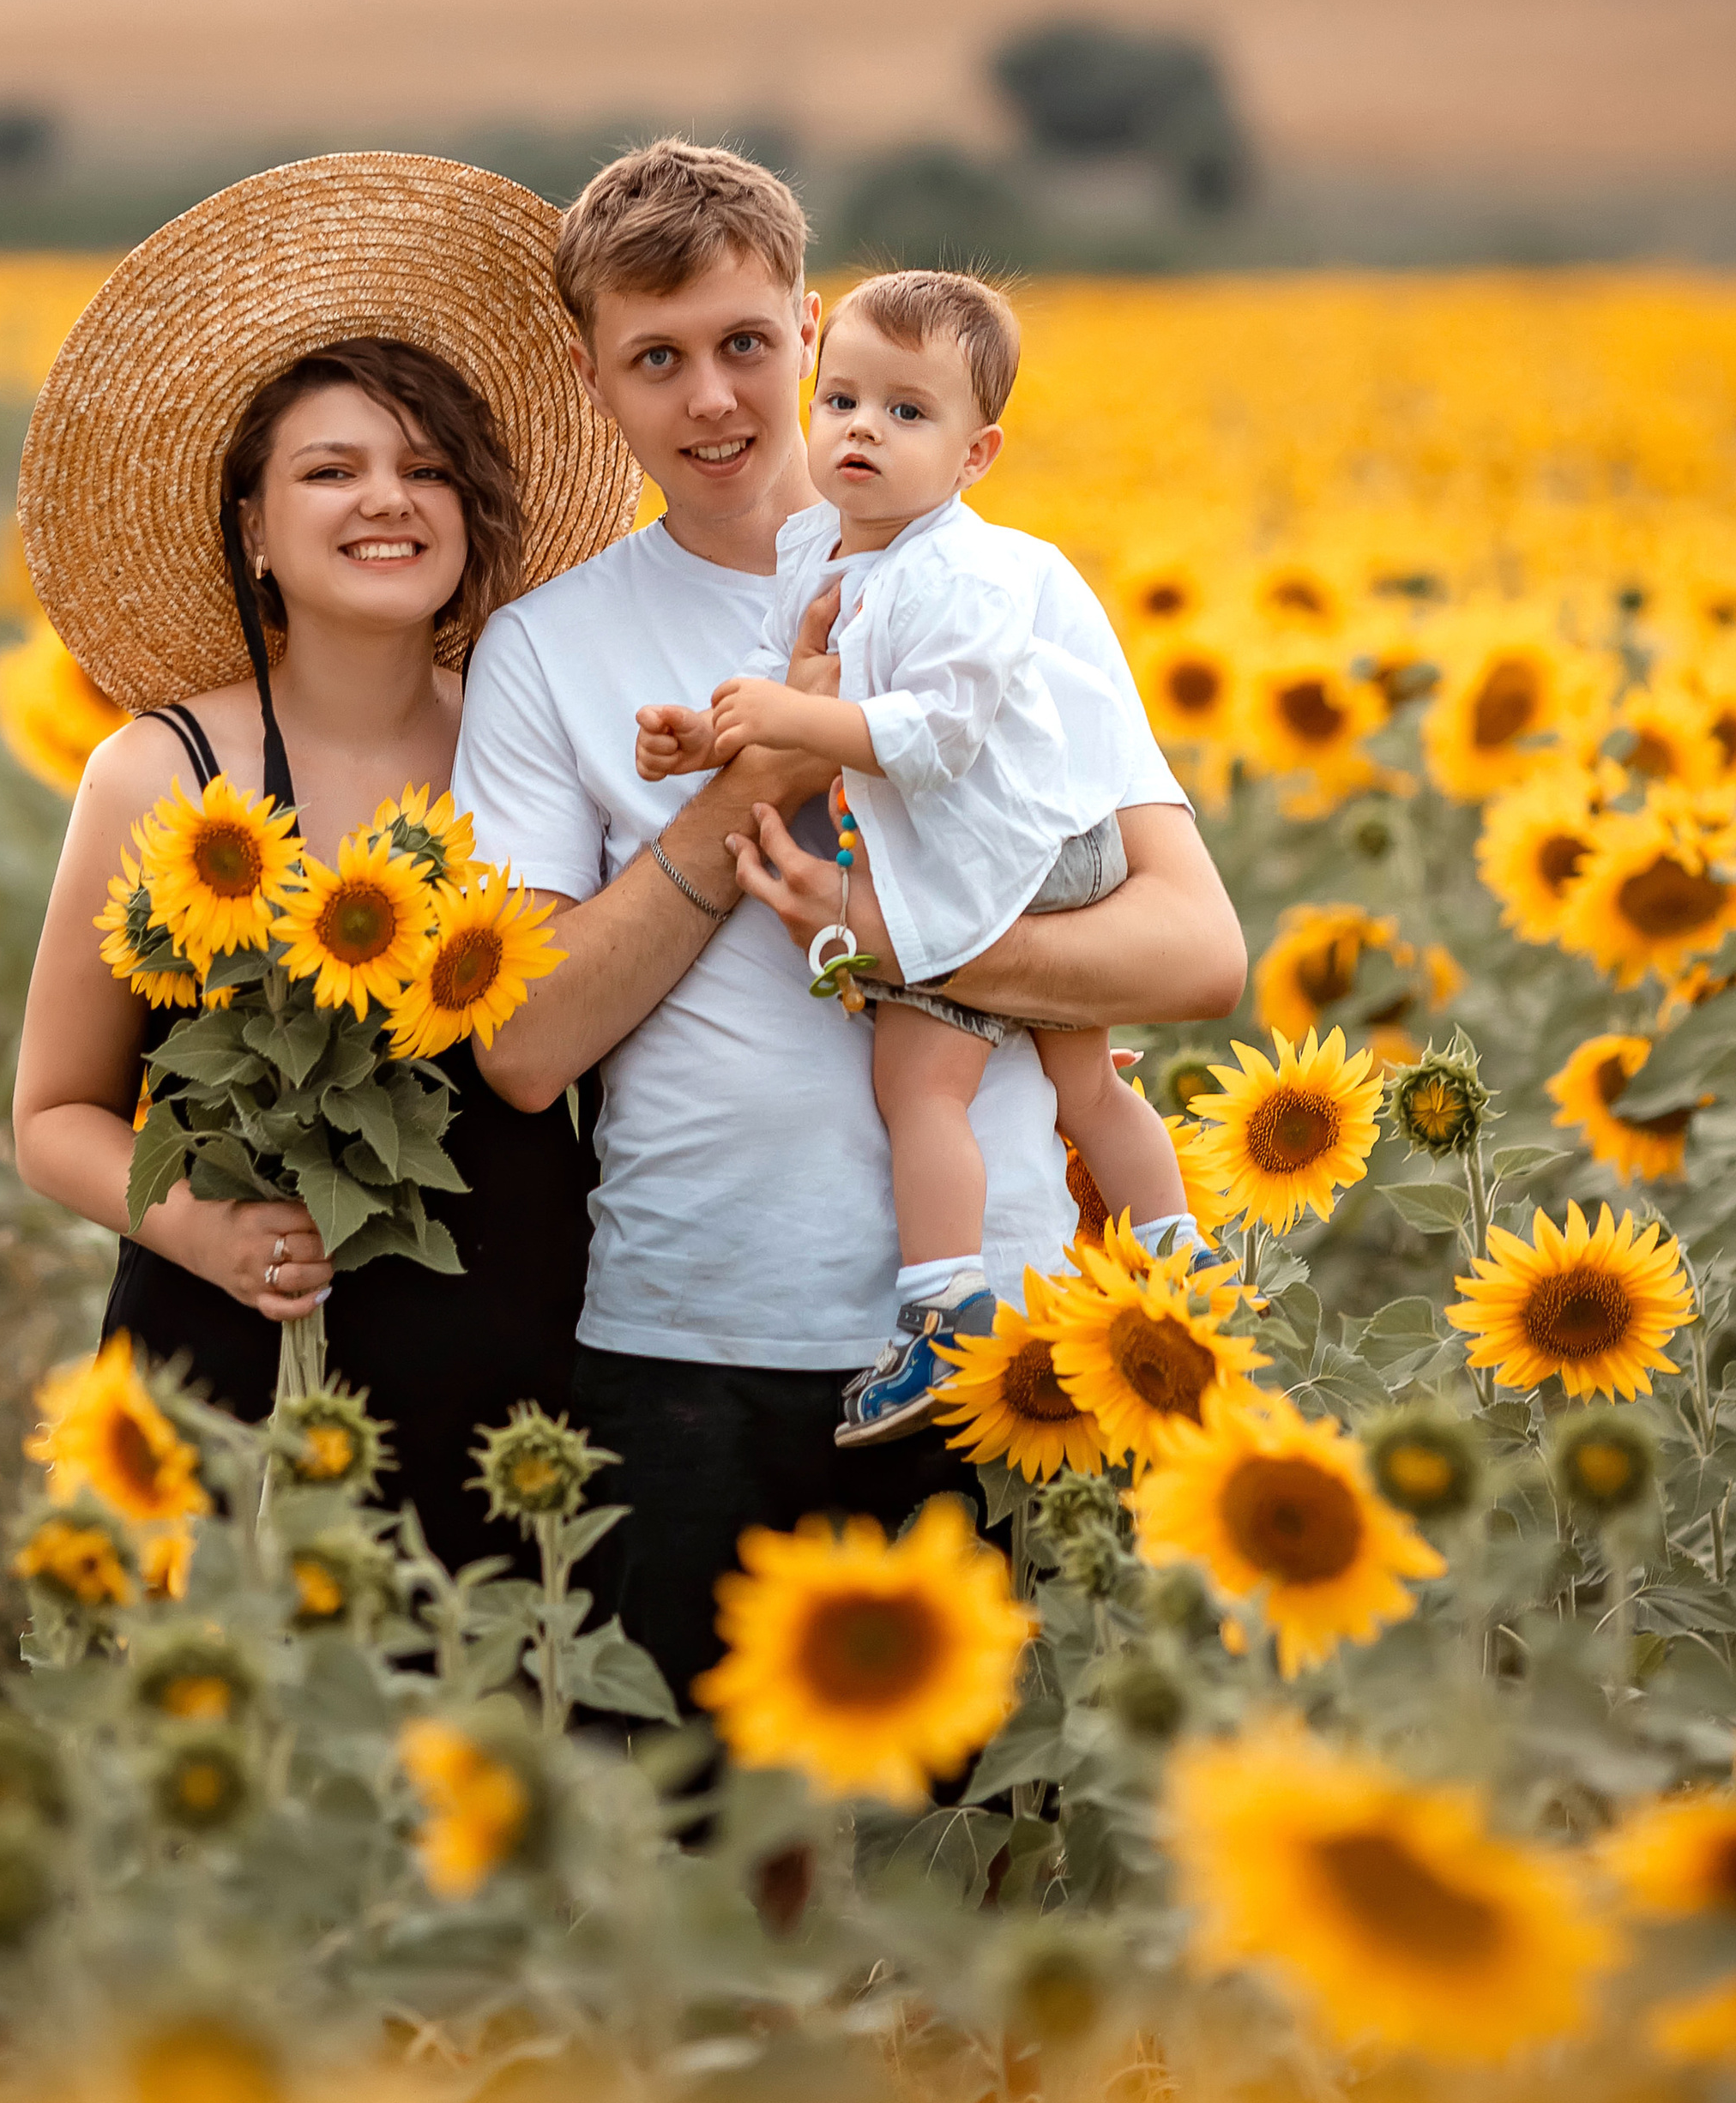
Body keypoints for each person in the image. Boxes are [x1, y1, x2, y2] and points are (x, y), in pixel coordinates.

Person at [455, 138, 1246, 1705]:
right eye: (656, 360)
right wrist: (755, 766)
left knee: (972, 1857)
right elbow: (527, 1046)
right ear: (588, 375)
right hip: (686, 1330)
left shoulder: (1012, 591)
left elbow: (1196, 955)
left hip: (1000, 1329)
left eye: (748, 344)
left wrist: (895, 943)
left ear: (811, 330)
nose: (714, 402)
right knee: (692, 1861)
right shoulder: (545, 650)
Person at [10, 152, 639, 1574]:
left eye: (426, 469)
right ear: (255, 526)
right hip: (222, 1377)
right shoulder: (160, 775)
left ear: (473, 509)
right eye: (332, 470)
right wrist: (209, 1235)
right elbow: (52, 1113)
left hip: (512, 1386)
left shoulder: (545, 761)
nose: (386, 501)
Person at [635, 265, 1198, 1450]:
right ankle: (1176, 1257)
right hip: (1022, 848)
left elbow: (932, 737)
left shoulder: (965, 573)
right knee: (1083, 1086)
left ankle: (942, 1306)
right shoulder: (833, 555)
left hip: (1010, 860)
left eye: (906, 414)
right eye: (841, 401)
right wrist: (712, 735)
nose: (860, 433)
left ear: (976, 454)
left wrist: (789, 725)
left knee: (916, 1084)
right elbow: (801, 697)